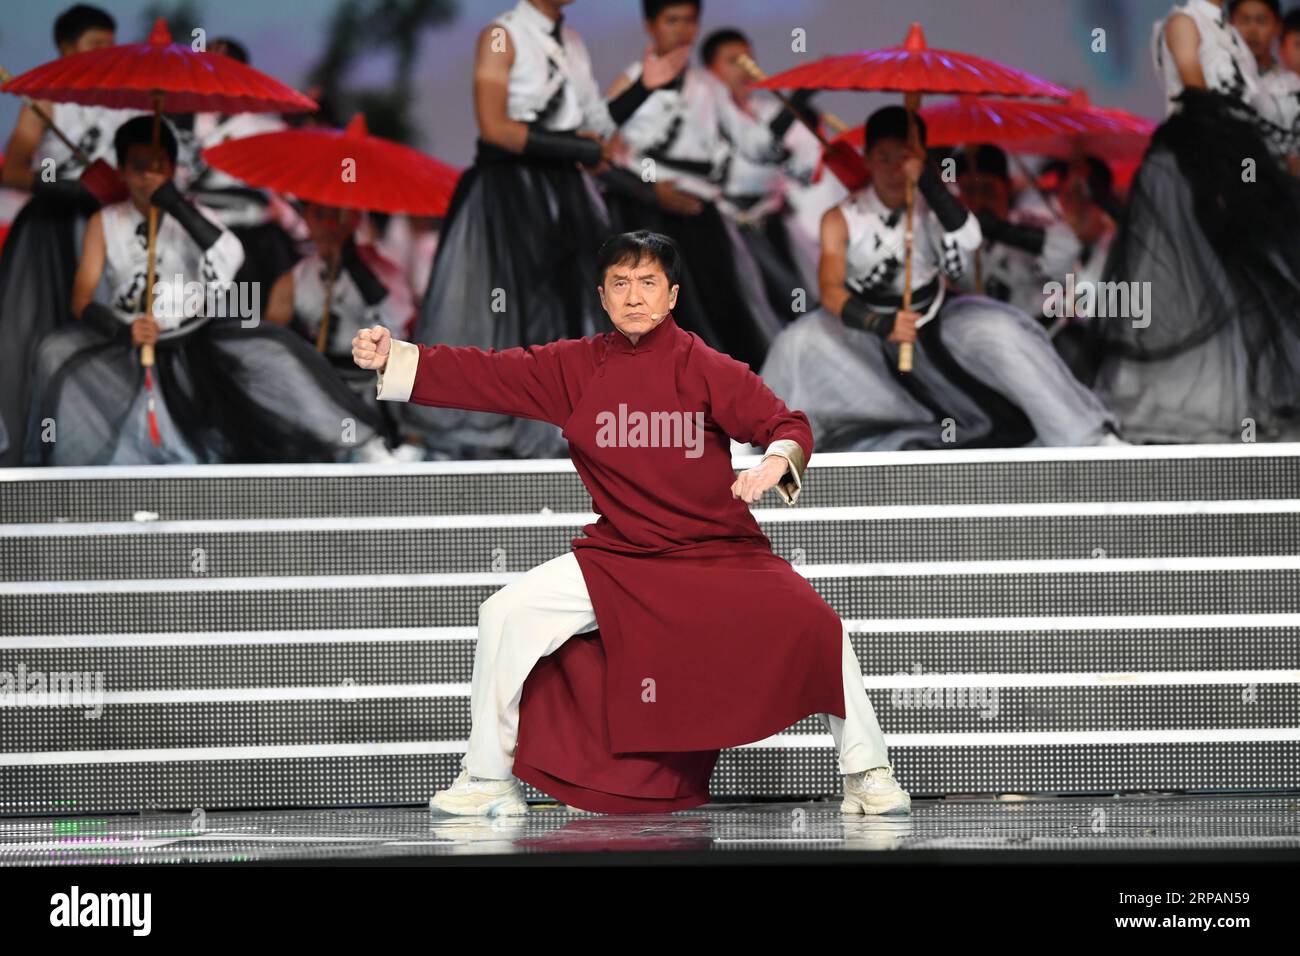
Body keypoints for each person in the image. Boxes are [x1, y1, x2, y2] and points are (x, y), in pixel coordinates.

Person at [352, 230, 912, 816]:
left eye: (648, 283)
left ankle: (868, 772)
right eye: (620, 283)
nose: (634, 296)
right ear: (602, 295)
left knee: (820, 626)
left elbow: (786, 423)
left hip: (716, 553)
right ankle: (489, 778)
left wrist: (774, 462)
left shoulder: (709, 367)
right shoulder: (572, 368)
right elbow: (487, 374)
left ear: (672, 296)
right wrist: (397, 356)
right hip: (621, 557)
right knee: (504, 614)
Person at [402, 0, 690, 461]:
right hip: (510, 189)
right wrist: (575, 147)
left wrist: (642, 89)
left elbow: (594, 125)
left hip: (563, 189)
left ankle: (563, 431)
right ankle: (493, 436)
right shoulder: (501, 36)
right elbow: (494, 127)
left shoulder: (572, 42)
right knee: (509, 307)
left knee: (568, 307)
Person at [24, 116, 387, 465]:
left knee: (276, 352)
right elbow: (81, 298)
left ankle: (357, 444)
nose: (149, 176)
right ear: (121, 170)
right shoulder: (104, 222)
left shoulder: (194, 214)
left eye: (158, 166)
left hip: (194, 341)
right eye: (138, 167)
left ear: (171, 168)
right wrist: (124, 328)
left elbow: (230, 256)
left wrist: (174, 204)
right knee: (54, 352)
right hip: (130, 341)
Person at [759, 106, 1124, 452]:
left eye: (904, 157)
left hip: (936, 318)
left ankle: (1085, 437)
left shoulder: (933, 205)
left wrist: (930, 184)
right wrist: (879, 322)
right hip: (864, 328)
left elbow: (968, 240)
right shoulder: (842, 218)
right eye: (884, 158)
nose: (893, 169)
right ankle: (753, 437)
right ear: (868, 160)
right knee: (798, 342)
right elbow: (830, 290)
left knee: (997, 332)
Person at [1095, 0, 1300, 443]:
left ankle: (1240, 404)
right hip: (1191, 164)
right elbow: (1195, 92)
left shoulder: (1228, 34)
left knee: (1239, 284)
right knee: (1193, 289)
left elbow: (1251, 104)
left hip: (1230, 160)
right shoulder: (1182, 22)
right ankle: (1190, 408)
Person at [602, 1, 794, 370]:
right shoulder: (630, 82)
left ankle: (719, 408)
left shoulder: (708, 86)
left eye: (690, 20)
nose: (682, 30)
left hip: (698, 213)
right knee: (655, 314)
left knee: (721, 306)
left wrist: (792, 106)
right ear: (650, 25)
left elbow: (753, 142)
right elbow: (602, 150)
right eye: (671, 19)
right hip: (643, 216)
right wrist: (652, 191)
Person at [0, 4, 140, 465]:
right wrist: (64, 185)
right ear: (65, 47)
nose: (107, 53)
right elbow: (16, 170)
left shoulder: (123, 97)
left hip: (110, 224)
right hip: (53, 230)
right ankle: (36, 446)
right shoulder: (45, 97)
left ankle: (106, 441)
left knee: (109, 325)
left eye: (111, 44)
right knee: (41, 330)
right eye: (95, 45)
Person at [266, 202, 419, 459]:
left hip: (377, 398)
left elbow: (400, 333)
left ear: (356, 218)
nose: (328, 226)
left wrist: (358, 272)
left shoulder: (386, 273)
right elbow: (269, 349)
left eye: (338, 216)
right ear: (305, 219)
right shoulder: (294, 280)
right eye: (320, 215)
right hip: (322, 395)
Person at [703, 27, 825, 326]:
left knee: (800, 305)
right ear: (709, 71)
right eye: (733, 61)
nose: (745, 69)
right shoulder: (701, 119)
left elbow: (805, 172)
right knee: (747, 315)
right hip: (724, 230)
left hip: (773, 227)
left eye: (748, 60)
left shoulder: (768, 112)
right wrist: (795, 104)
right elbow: (749, 161)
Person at [182, 37, 303, 318]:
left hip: (250, 242)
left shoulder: (266, 129)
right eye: (207, 69)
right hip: (197, 238)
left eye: (224, 69)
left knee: (244, 324)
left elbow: (288, 194)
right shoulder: (185, 123)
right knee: (198, 319)